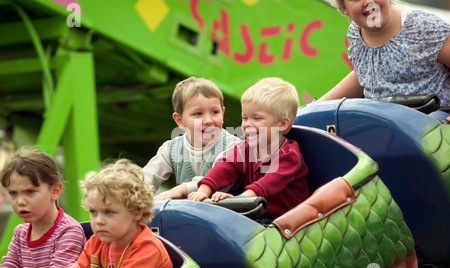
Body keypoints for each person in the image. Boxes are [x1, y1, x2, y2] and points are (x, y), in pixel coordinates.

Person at [14, 158, 173, 268]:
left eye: (108, 212)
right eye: (93, 212)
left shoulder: (146, 246)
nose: (99, 221)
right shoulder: (96, 243)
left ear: (136, 212)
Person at [188, 77, 309, 222]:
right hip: (257, 213)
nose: (246, 125)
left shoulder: (289, 156)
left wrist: (238, 201)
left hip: (288, 222)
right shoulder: (245, 148)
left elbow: (265, 186)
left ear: (281, 124)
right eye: (245, 118)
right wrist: (204, 190)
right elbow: (225, 167)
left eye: (256, 118)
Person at [318, 0, 450, 107]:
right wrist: (314, 109)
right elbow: (367, 75)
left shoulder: (423, 27)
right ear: (343, 8)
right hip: (381, 127)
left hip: (431, 127)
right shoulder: (355, 33)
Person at [0, 148, 85, 268]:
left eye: (30, 192)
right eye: (13, 193)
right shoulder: (20, 232)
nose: (20, 201)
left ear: (55, 191)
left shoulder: (69, 231)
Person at [142, 77, 241, 200]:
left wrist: (182, 189)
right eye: (198, 114)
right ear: (180, 120)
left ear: (223, 113)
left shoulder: (234, 147)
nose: (208, 120)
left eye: (215, 112)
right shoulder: (171, 149)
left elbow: (218, 178)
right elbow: (148, 177)